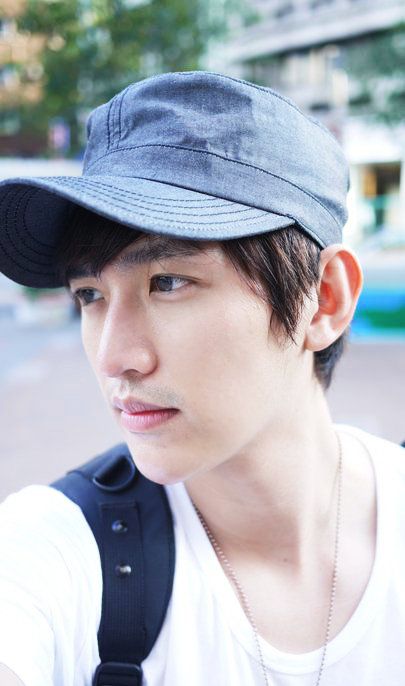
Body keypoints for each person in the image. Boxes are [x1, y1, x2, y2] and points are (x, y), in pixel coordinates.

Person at [0, 70, 404, 686]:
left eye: (167, 282)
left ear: (324, 300)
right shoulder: (51, 551)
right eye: (89, 294)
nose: (114, 357)